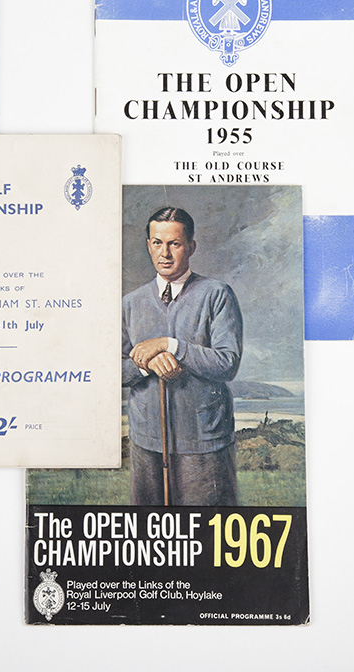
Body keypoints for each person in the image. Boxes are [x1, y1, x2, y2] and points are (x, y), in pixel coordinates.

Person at [122, 206, 243, 506]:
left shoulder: (216, 294)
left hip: (204, 443)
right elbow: (112, 371)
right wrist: (148, 364)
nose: (164, 253)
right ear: (148, 245)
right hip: (146, 442)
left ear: (190, 246)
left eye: (174, 244)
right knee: (149, 529)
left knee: (207, 528)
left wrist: (171, 346)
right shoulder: (131, 303)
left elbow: (228, 363)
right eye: (157, 243)